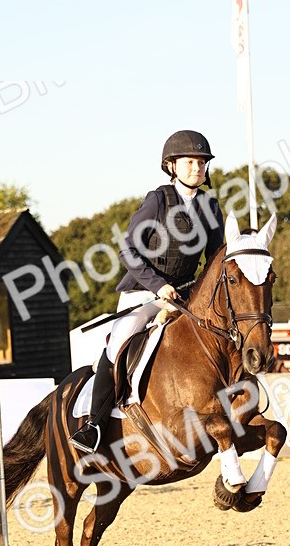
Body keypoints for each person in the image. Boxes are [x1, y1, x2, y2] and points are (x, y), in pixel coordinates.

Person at [71, 130, 226, 453]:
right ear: (172, 166)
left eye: (201, 162)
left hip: (185, 297)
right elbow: (128, 250)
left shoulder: (211, 208)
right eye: (189, 162)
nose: (197, 168)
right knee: (121, 341)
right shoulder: (158, 200)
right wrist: (159, 287)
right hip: (143, 293)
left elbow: (214, 260)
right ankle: (93, 425)